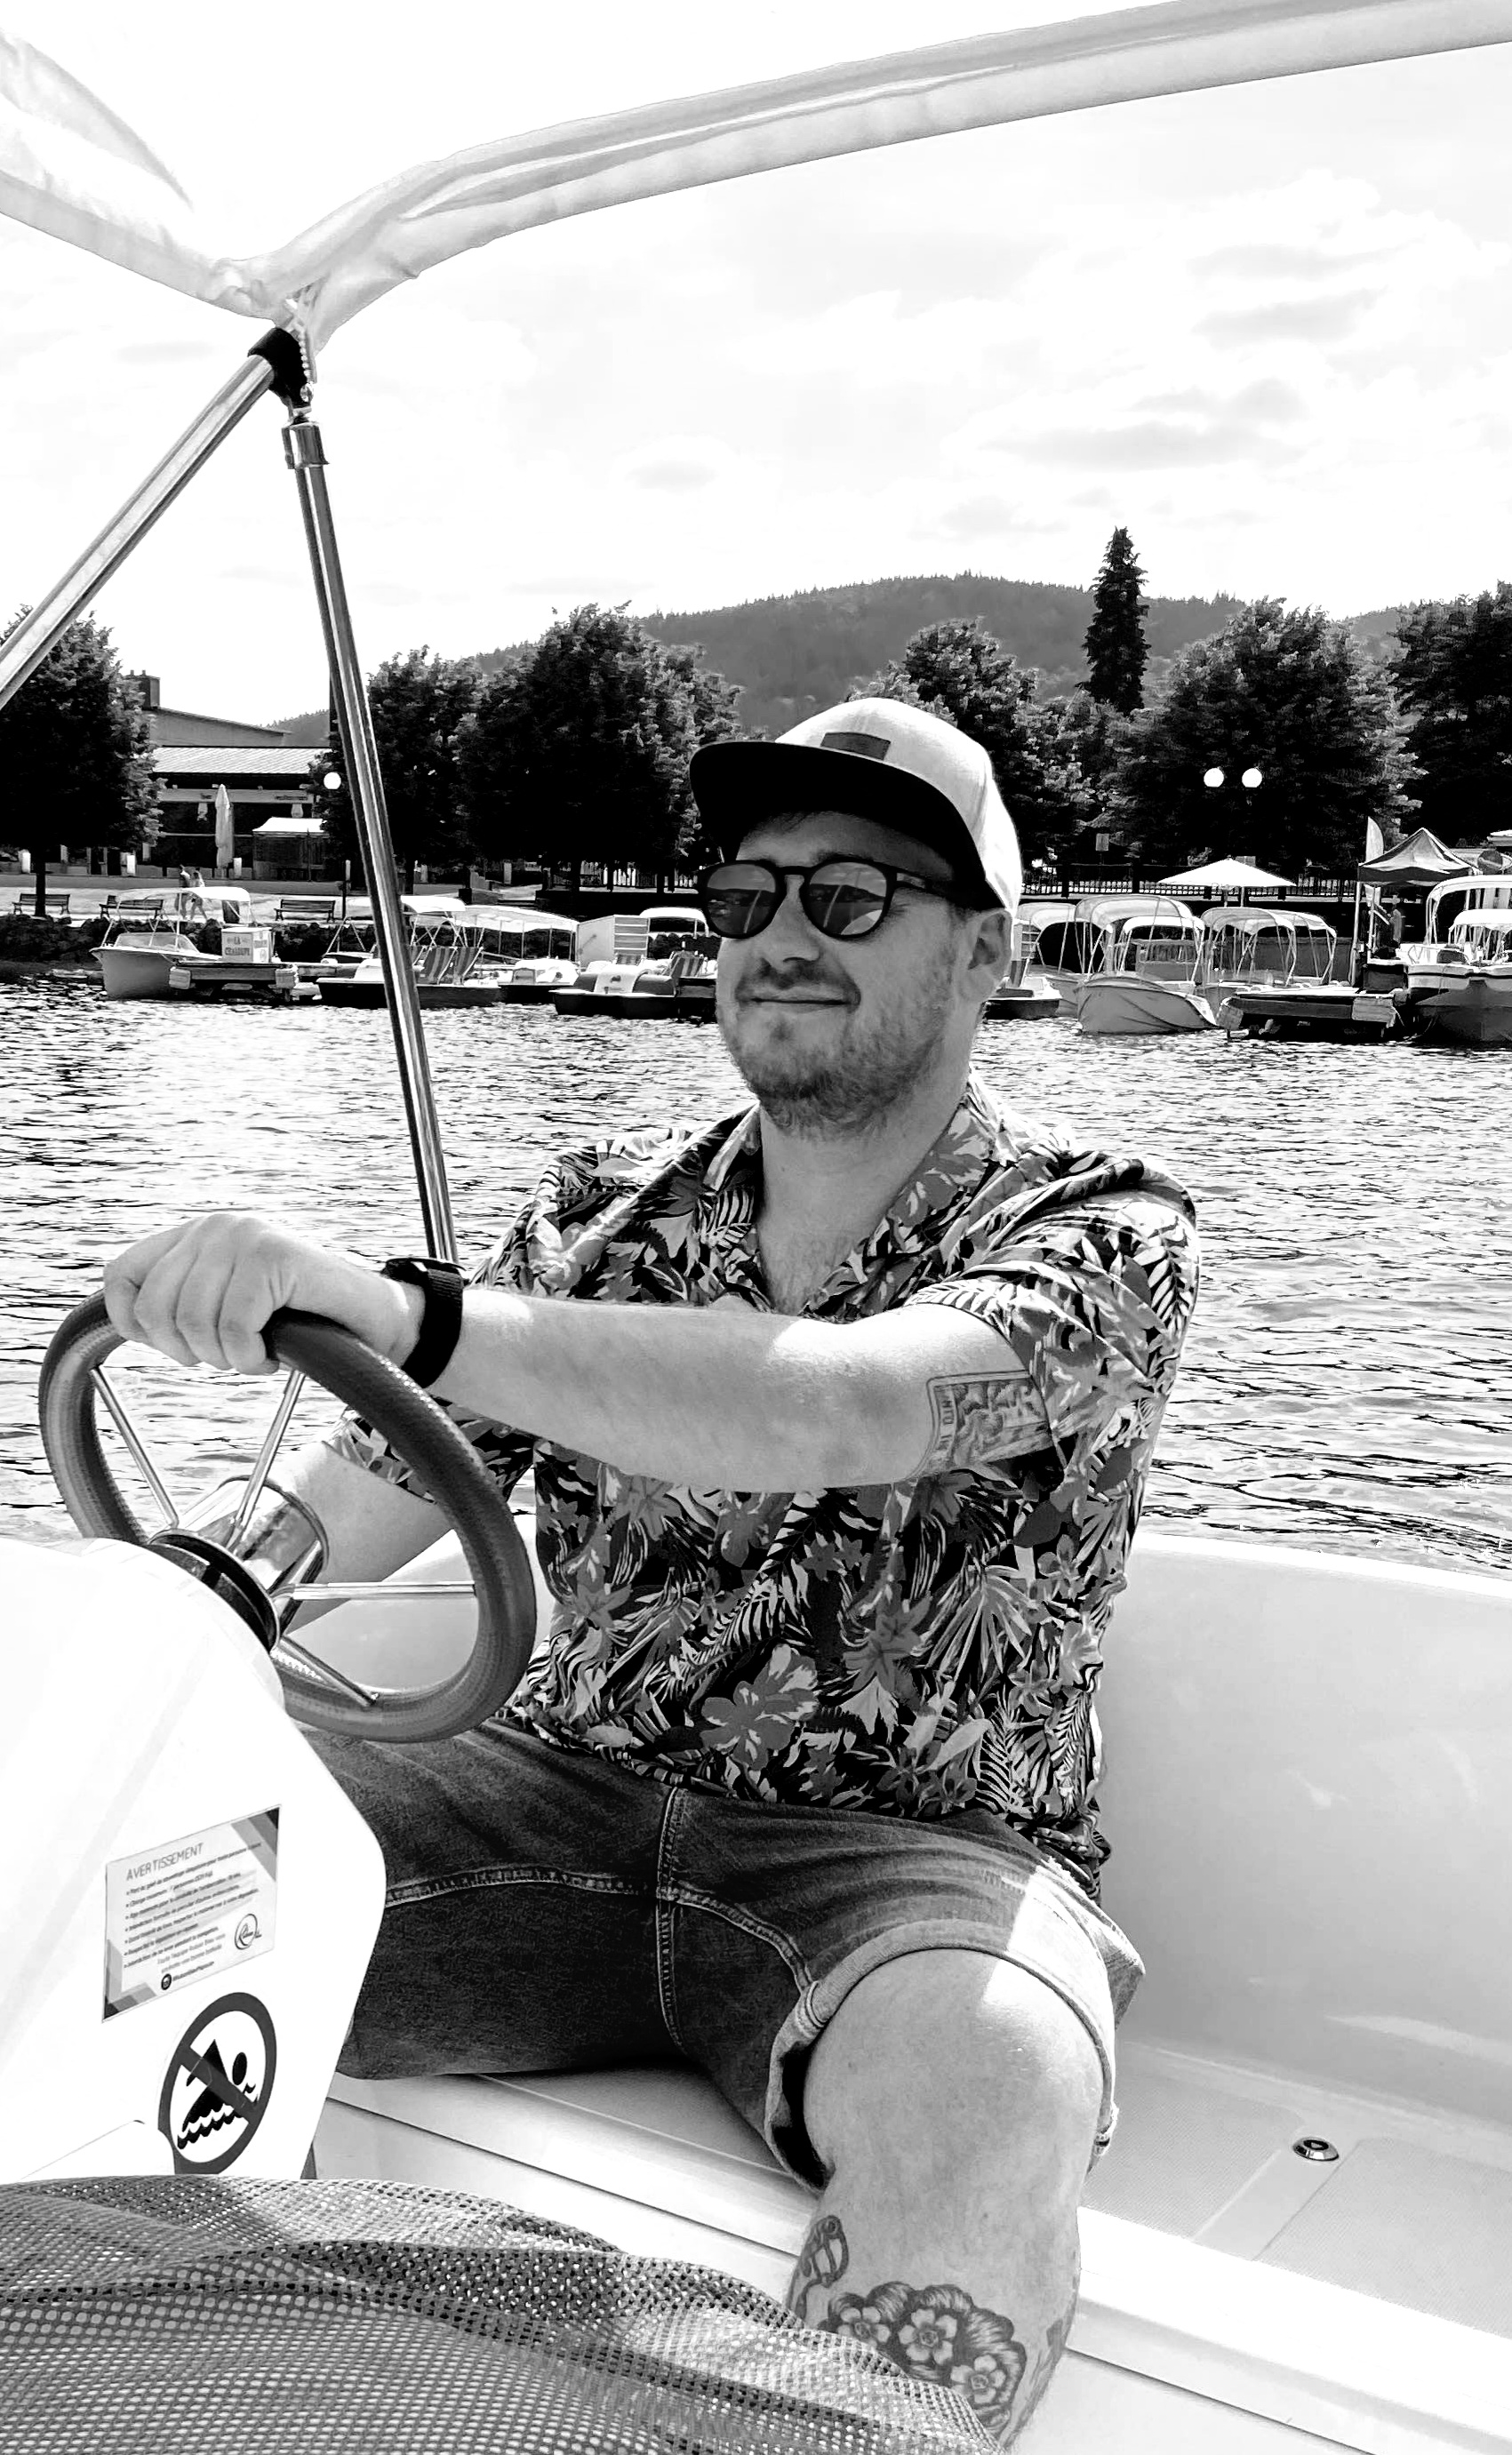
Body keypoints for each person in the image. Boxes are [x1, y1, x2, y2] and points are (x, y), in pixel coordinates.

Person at [103, 698, 1198, 2444]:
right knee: (105, 1878)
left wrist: (406, 1311)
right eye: (746, 895)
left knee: (992, 2087)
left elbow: (836, 1405)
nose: (779, 935)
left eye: (850, 895)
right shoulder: (595, 1221)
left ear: (986, 950)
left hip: (910, 1858)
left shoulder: (1101, 1232)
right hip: (547, 1797)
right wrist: (200, 1599)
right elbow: (378, 1485)